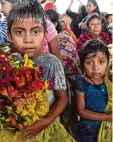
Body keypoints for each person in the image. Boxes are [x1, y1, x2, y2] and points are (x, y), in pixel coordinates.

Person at [0, 0, 76, 141]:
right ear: (9, 36)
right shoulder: (7, 62)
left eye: (36, 31)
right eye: (19, 32)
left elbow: (62, 98)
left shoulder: (52, 64)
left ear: (45, 34)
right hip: (13, 130)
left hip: (44, 128)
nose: (28, 39)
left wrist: (45, 121)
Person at [75, 39, 112, 142]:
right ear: (82, 64)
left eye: (101, 62)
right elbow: (81, 111)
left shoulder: (109, 82)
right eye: (89, 62)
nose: (96, 68)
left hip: (107, 128)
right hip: (87, 131)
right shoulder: (81, 82)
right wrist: (107, 117)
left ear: (108, 62)